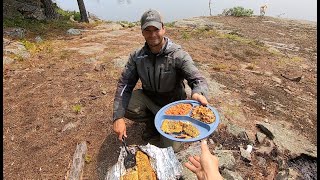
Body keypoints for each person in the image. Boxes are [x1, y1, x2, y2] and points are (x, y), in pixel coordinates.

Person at [112, 9, 209, 150]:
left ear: (163, 29)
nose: (152, 35)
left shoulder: (178, 55)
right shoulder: (137, 57)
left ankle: (163, 126)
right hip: (150, 99)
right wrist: (118, 117)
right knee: (124, 105)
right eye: (147, 30)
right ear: (142, 32)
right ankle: (152, 122)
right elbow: (125, 84)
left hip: (174, 107)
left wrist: (198, 92)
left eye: (156, 29)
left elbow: (197, 79)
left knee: (172, 148)